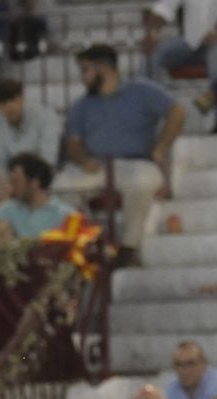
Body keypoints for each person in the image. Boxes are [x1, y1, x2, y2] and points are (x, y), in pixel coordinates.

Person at [54, 44, 183, 250]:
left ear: (103, 68)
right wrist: (83, 160)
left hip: (136, 162)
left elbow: (176, 112)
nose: (82, 77)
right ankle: (82, 244)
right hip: (96, 164)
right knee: (61, 187)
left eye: (86, 70)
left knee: (142, 182)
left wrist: (161, 147)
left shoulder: (141, 90)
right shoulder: (82, 105)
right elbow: (73, 143)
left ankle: (129, 246)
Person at [0, 77, 60, 172]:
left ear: (22, 98)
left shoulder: (46, 116)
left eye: (13, 99)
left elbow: (48, 157)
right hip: (7, 179)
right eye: (3, 102)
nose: (9, 106)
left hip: (41, 178)